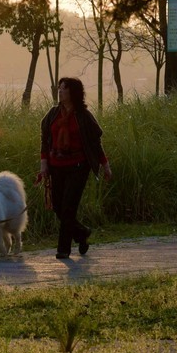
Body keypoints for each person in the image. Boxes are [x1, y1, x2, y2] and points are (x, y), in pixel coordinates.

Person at [37, 77, 112, 259]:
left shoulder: (84, 116)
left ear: (73, 92)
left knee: (68, 207)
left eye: (64, 89)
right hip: (56, 166)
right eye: (60, 88)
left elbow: (95, 142)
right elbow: (45, 140)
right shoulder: (53, 114)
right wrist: (44, 164)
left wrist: (105, 165)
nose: (60, 91)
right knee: (57, 206)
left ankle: (63, 249)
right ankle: (81, 233)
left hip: (78, 166)